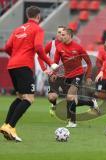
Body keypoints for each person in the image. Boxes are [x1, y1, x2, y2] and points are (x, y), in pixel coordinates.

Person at [0, 6, 58, 142]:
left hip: (12, 65)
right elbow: (38, 47)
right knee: (29, 98)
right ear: (38, 17)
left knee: (20, 96)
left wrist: (15, 56)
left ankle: (5, 125)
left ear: (27, 16)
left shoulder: (17, 29)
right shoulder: (38, 29)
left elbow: (8, 47)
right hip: (24, 65)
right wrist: (50, 62)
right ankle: (11, 127)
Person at [53, 28, 98, 128]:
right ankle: (91, 102)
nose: (61, 36)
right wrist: (54, 73)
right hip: (67, 75)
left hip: (78, 74)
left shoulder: (78, 48)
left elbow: (89, 63)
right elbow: (55, 62)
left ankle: (72, 122)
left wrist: (88, 77)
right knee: (73, 101)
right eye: (61, 34)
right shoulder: (59, 47)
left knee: (70, 96)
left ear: (69, 36)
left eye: (63, 35)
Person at [37, 26, 68, 116]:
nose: (60, 34)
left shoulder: (69, 45)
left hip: (67, 75)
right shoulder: (51, 44)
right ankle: (54, 104)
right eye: (58, 32)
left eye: (62, 33)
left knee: (72, 98)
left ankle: (90, 103)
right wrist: (44, 69)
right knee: (52, 97)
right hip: (53, 75)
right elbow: (40, 56)